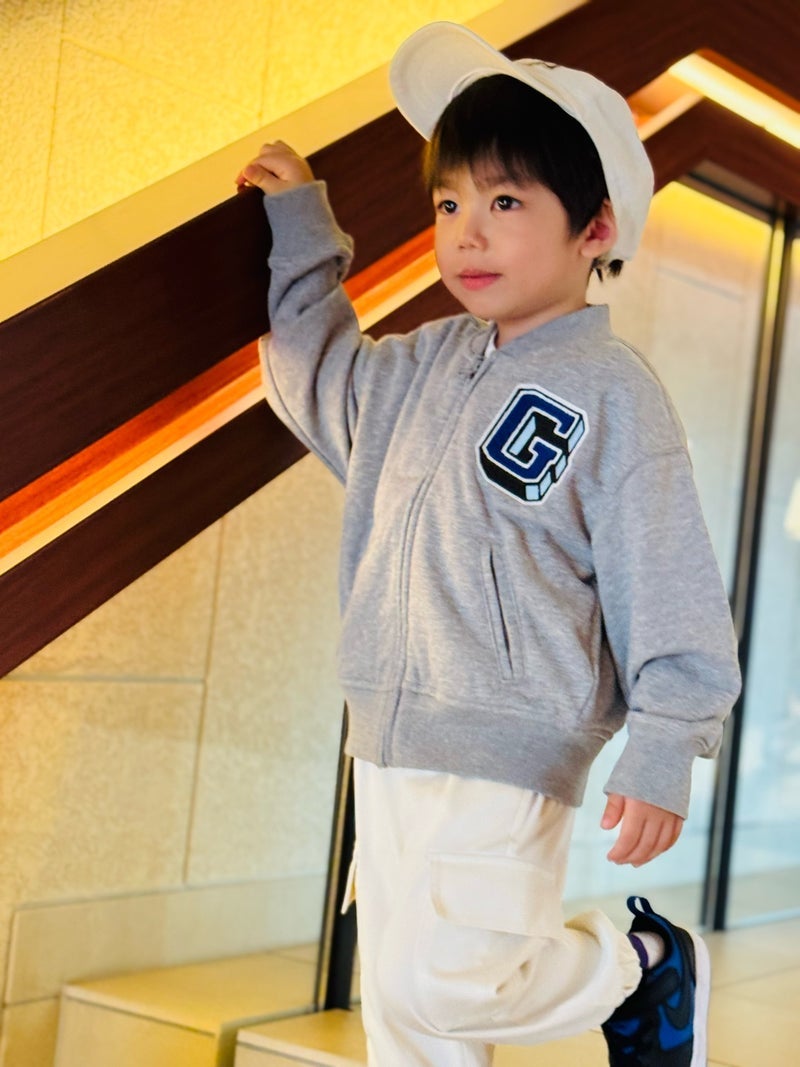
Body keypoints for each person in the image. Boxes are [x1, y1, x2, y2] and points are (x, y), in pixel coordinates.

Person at [237, 21, 741, 1067]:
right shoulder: (419, 366)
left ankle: (640, 964)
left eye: (505, 203)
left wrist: (663, 742)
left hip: (513, 742)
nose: (466, 233)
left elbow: (670, 578)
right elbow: (316, 375)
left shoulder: (613, 395)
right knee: (404, 1011)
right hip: (385, 733)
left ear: (594, 227)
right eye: (448, 204)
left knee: (450, 982)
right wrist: (299, 224)